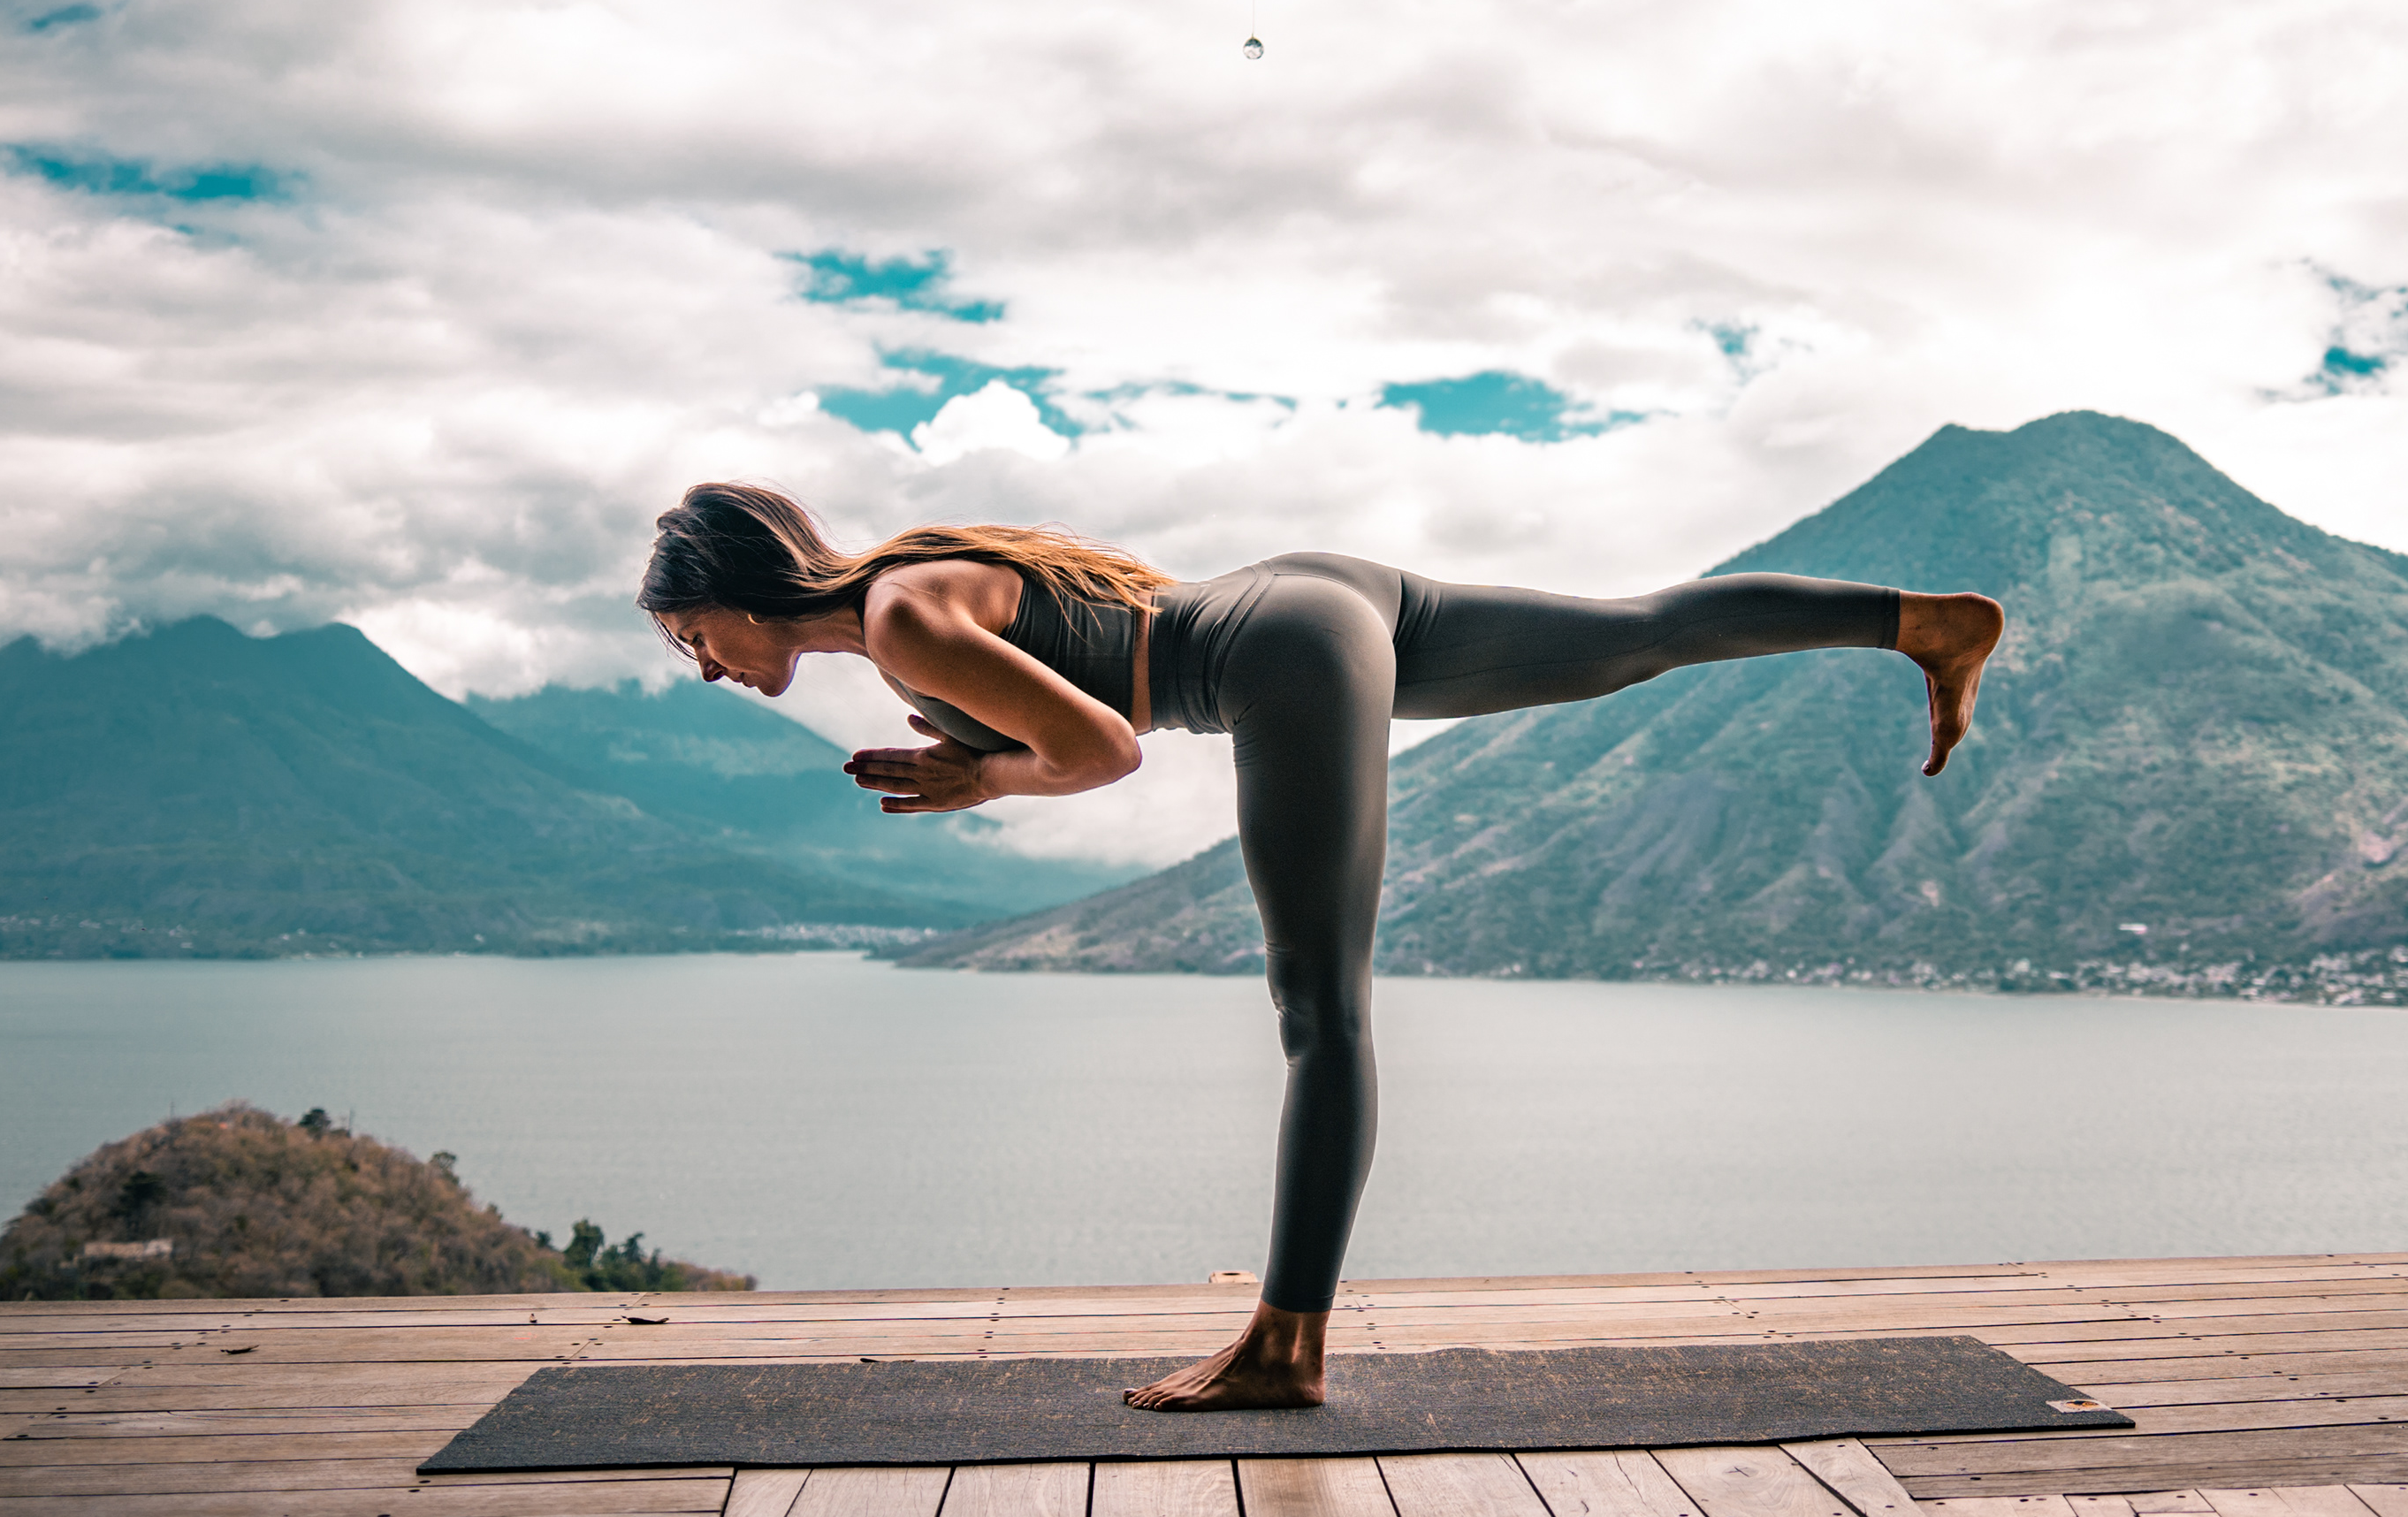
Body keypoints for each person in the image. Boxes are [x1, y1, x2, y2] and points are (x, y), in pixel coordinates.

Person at [636, 483, 2004, 1410]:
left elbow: (1104, 745)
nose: (701, 663)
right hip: (1315, 596)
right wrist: (991, 760)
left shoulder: (897, 619)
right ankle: (1916, 622)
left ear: (733, 596)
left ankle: (1285, 1343)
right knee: (1634, 636)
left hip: (1274, 653)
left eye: (691, 636)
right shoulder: (909, 595)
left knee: (1319, 1014)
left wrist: (986, 781)